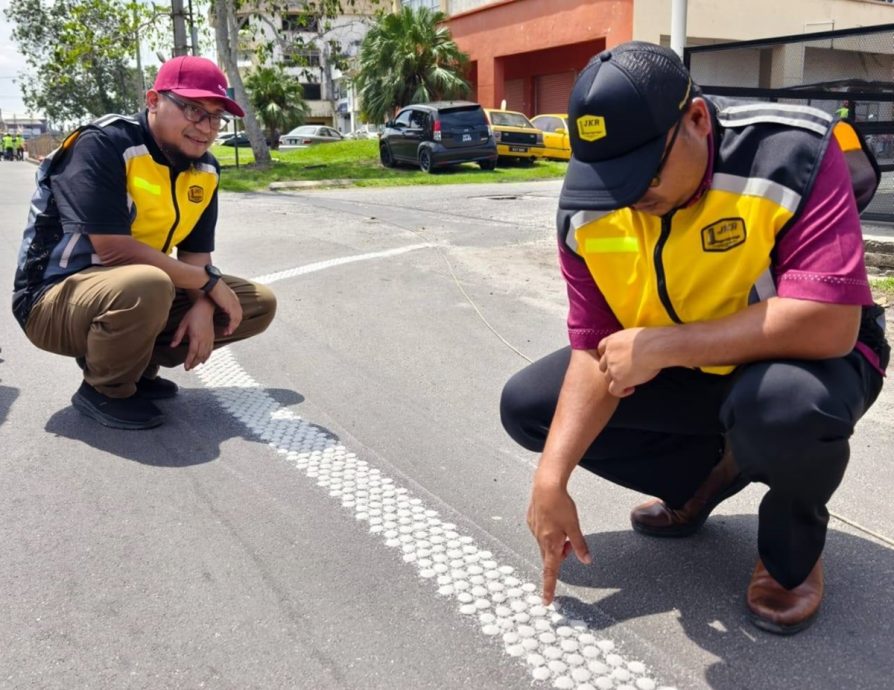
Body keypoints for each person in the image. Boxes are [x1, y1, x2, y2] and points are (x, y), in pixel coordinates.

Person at [500, 42, 888, 635]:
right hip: (692, 368)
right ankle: (708, 475)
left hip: (806, 362)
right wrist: (551, 479)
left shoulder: (792, 152)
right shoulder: (590, 204)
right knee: (531, 409)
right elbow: (594, 347)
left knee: (782, 409)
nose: (632, 199)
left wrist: (661, 347)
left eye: (644, 174)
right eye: (613, 180)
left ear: (698, 120)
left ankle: (790, 557)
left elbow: (829, 324)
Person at [12, 55, 277, 430]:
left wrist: (202, 306)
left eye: (217, 117)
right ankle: (105, 387)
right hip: (51, 299)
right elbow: (113, 249)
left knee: (257, 303)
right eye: (193, 110)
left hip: (131, 290)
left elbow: (196, 256)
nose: (206, 127)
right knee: (150, 284)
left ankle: (138, 367)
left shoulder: (205, 169)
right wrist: (208, 283)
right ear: (153, 101)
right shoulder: (103, 144)